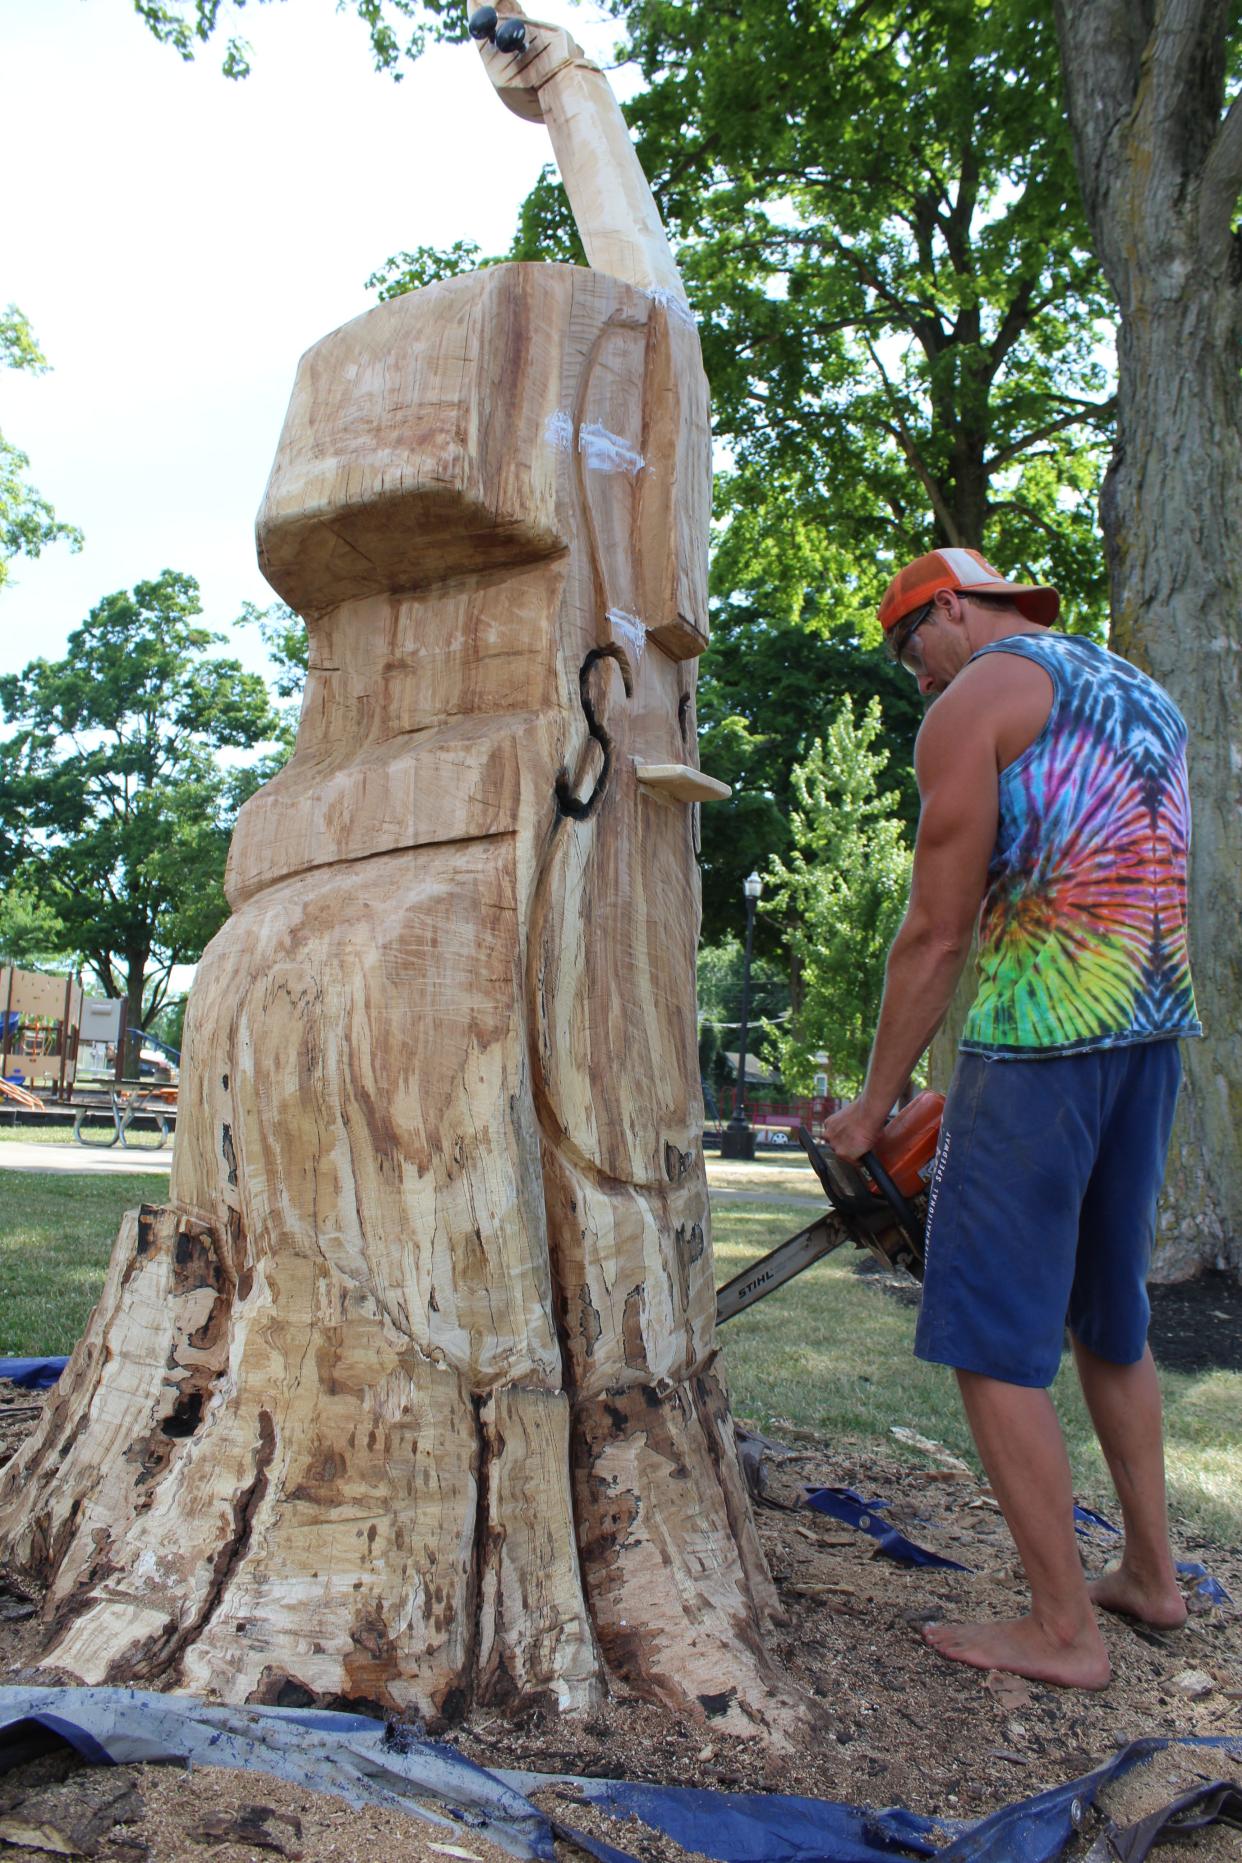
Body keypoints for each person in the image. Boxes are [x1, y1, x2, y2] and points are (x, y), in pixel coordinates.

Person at [820, 547, 1202, 1689]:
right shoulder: (1140, 690)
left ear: (945, 611)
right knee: (1109, 1318)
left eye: (908, 648)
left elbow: (937, 933)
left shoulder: (973, 702)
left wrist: (869, 1111)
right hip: (1150, 1036)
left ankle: (1061, 1630)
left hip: (1040, 1043)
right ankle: (1151, 1576)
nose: (916, 678)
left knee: (988, 1333)